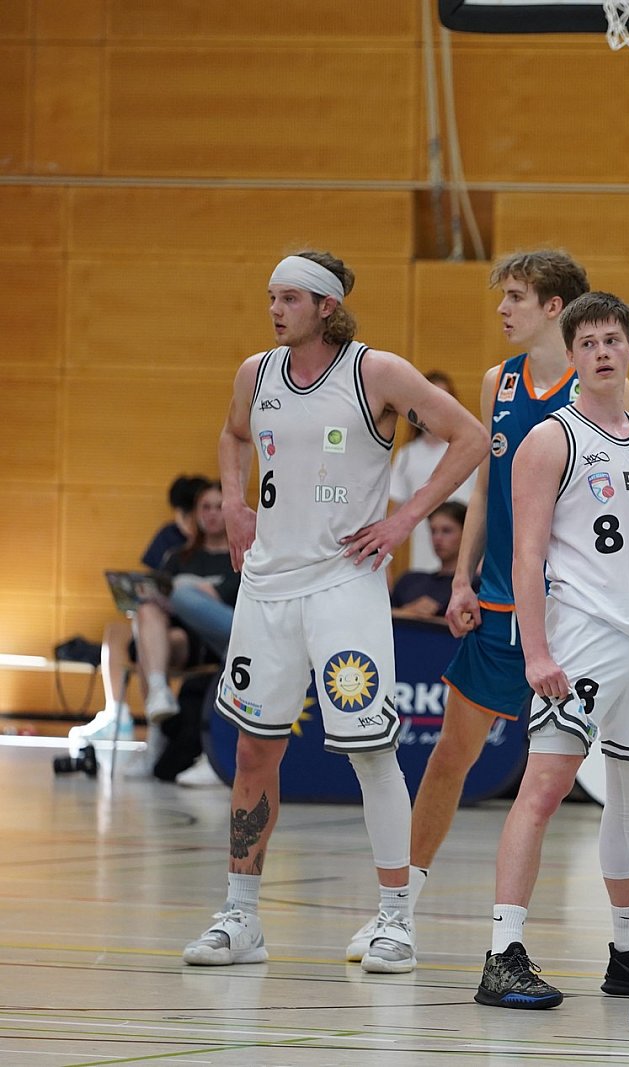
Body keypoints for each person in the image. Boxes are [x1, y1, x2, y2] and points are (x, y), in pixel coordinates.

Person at [353, 250, 629, 972]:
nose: (503, 309)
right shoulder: (499, 382)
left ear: (555, 307)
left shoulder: (609, 398)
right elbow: (486, 488)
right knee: (451, 757)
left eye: (517, 296)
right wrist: (460, 577)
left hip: (576, 620)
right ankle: (397, 915)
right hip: (503, 606)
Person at [182, 250, 487, 975]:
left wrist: (405, 518)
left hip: (345, 584)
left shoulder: (375, 372)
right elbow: (233, 435)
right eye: (271, 296)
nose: (274, 309)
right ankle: (241, 916)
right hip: (267, 586)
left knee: (369, 750)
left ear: (327, 306)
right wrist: (234, 500)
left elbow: (471, 437)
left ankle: (395, 917)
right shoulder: (255, 374)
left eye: (289, 297)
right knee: (253, 751)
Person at [475, 292, 629, 1009]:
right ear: (573, 355)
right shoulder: (552, 439)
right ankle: (502, 954)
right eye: (589, 343)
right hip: (580, 640)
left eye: (613, 340)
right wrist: (536, 651)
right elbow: (527, 553)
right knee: (543, 789)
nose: (603, 352)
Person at [69, 474, 213, 745]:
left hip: (193, 634)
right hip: (161, 621)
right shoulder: (173, 548)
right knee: (123, 630)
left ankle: (157, 733)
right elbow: (151, 583)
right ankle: (117, 713)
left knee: (151, 644)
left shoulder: (217, 550)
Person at [136, 481, 239, 722]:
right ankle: (158, 694)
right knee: (146, 612)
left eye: (219, 507)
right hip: (183, 639)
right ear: (196, 513)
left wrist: (183, 590)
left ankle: (157, 730)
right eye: (206, 507)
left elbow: (224, 598)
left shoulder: (242, 557)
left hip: (228, 636)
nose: (212, 514)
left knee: (179, 590)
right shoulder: (178, 557)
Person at [390, 371, 476, 573]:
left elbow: (480, 506)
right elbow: (395, 513)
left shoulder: (470, 450)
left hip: (465, 568)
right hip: (422, 565)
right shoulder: (407, 455)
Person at [391, 501, 465, 618]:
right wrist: (407, 612)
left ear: (466, 534)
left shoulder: (476, 586)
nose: (438, 538)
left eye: (446, 531)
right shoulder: (409, 581)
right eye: (433, 531)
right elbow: (380, 616)